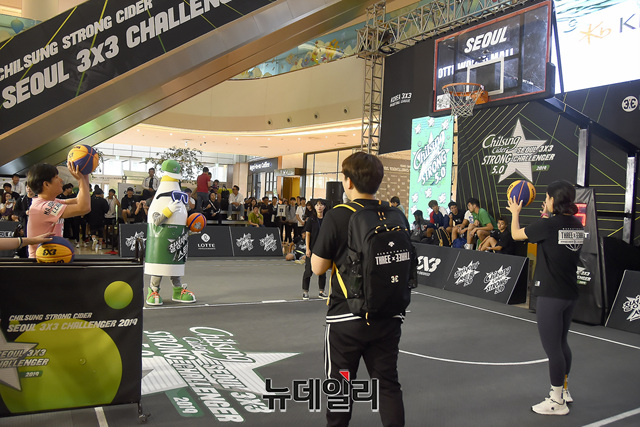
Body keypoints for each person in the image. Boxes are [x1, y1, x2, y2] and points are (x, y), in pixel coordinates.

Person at [312, 152, 405, 426]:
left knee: (340, 387)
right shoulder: (395, 215)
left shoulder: (338, 215)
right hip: (388, 313)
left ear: (349, 181)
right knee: (388, 385)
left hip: (346, 316)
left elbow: (318, 267)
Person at [506, 180, 584, 416]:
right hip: (569, 293)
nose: (545, 200)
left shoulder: (548, 226)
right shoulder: (576, 224)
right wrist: (547, 216)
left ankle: (556, 400)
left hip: (551, 294)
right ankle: (564, 390)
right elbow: (555, 240)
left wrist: (515, 213)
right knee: (562, 343)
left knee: (553, 349)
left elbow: (516, 234)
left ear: (552, 199)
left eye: (547, 197)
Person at [25, 162, 91, 258]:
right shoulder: (44, 207)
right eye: (56, 177)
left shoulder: (51, 201)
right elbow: (84, 207)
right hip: (41, 262)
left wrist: (85, 174)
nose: (61, 180)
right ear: (46, 184)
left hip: (51, 258)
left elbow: (80, 200)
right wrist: (80, 179)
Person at [301, 199, 328, 300]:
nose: (319, 207)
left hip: (323, 249)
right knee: (308, 271)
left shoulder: (327, 220)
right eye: (317, 205)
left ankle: (321, 291)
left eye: (321, 205)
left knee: (323, 271)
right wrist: (307, 249)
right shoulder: (311, 219)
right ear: (315, 207)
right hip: (312, 248)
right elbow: (307, 234)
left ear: (324, 207)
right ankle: (305, 291)